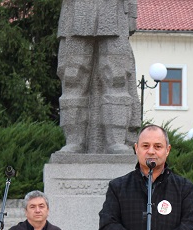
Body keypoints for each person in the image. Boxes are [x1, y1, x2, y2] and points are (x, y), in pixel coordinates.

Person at [57, 0, 140, 153]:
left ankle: (117, 140)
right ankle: (74, 141)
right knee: (72, 77)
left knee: (117, 76)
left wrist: (132, 13)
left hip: (115, 11)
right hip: (74, 11)